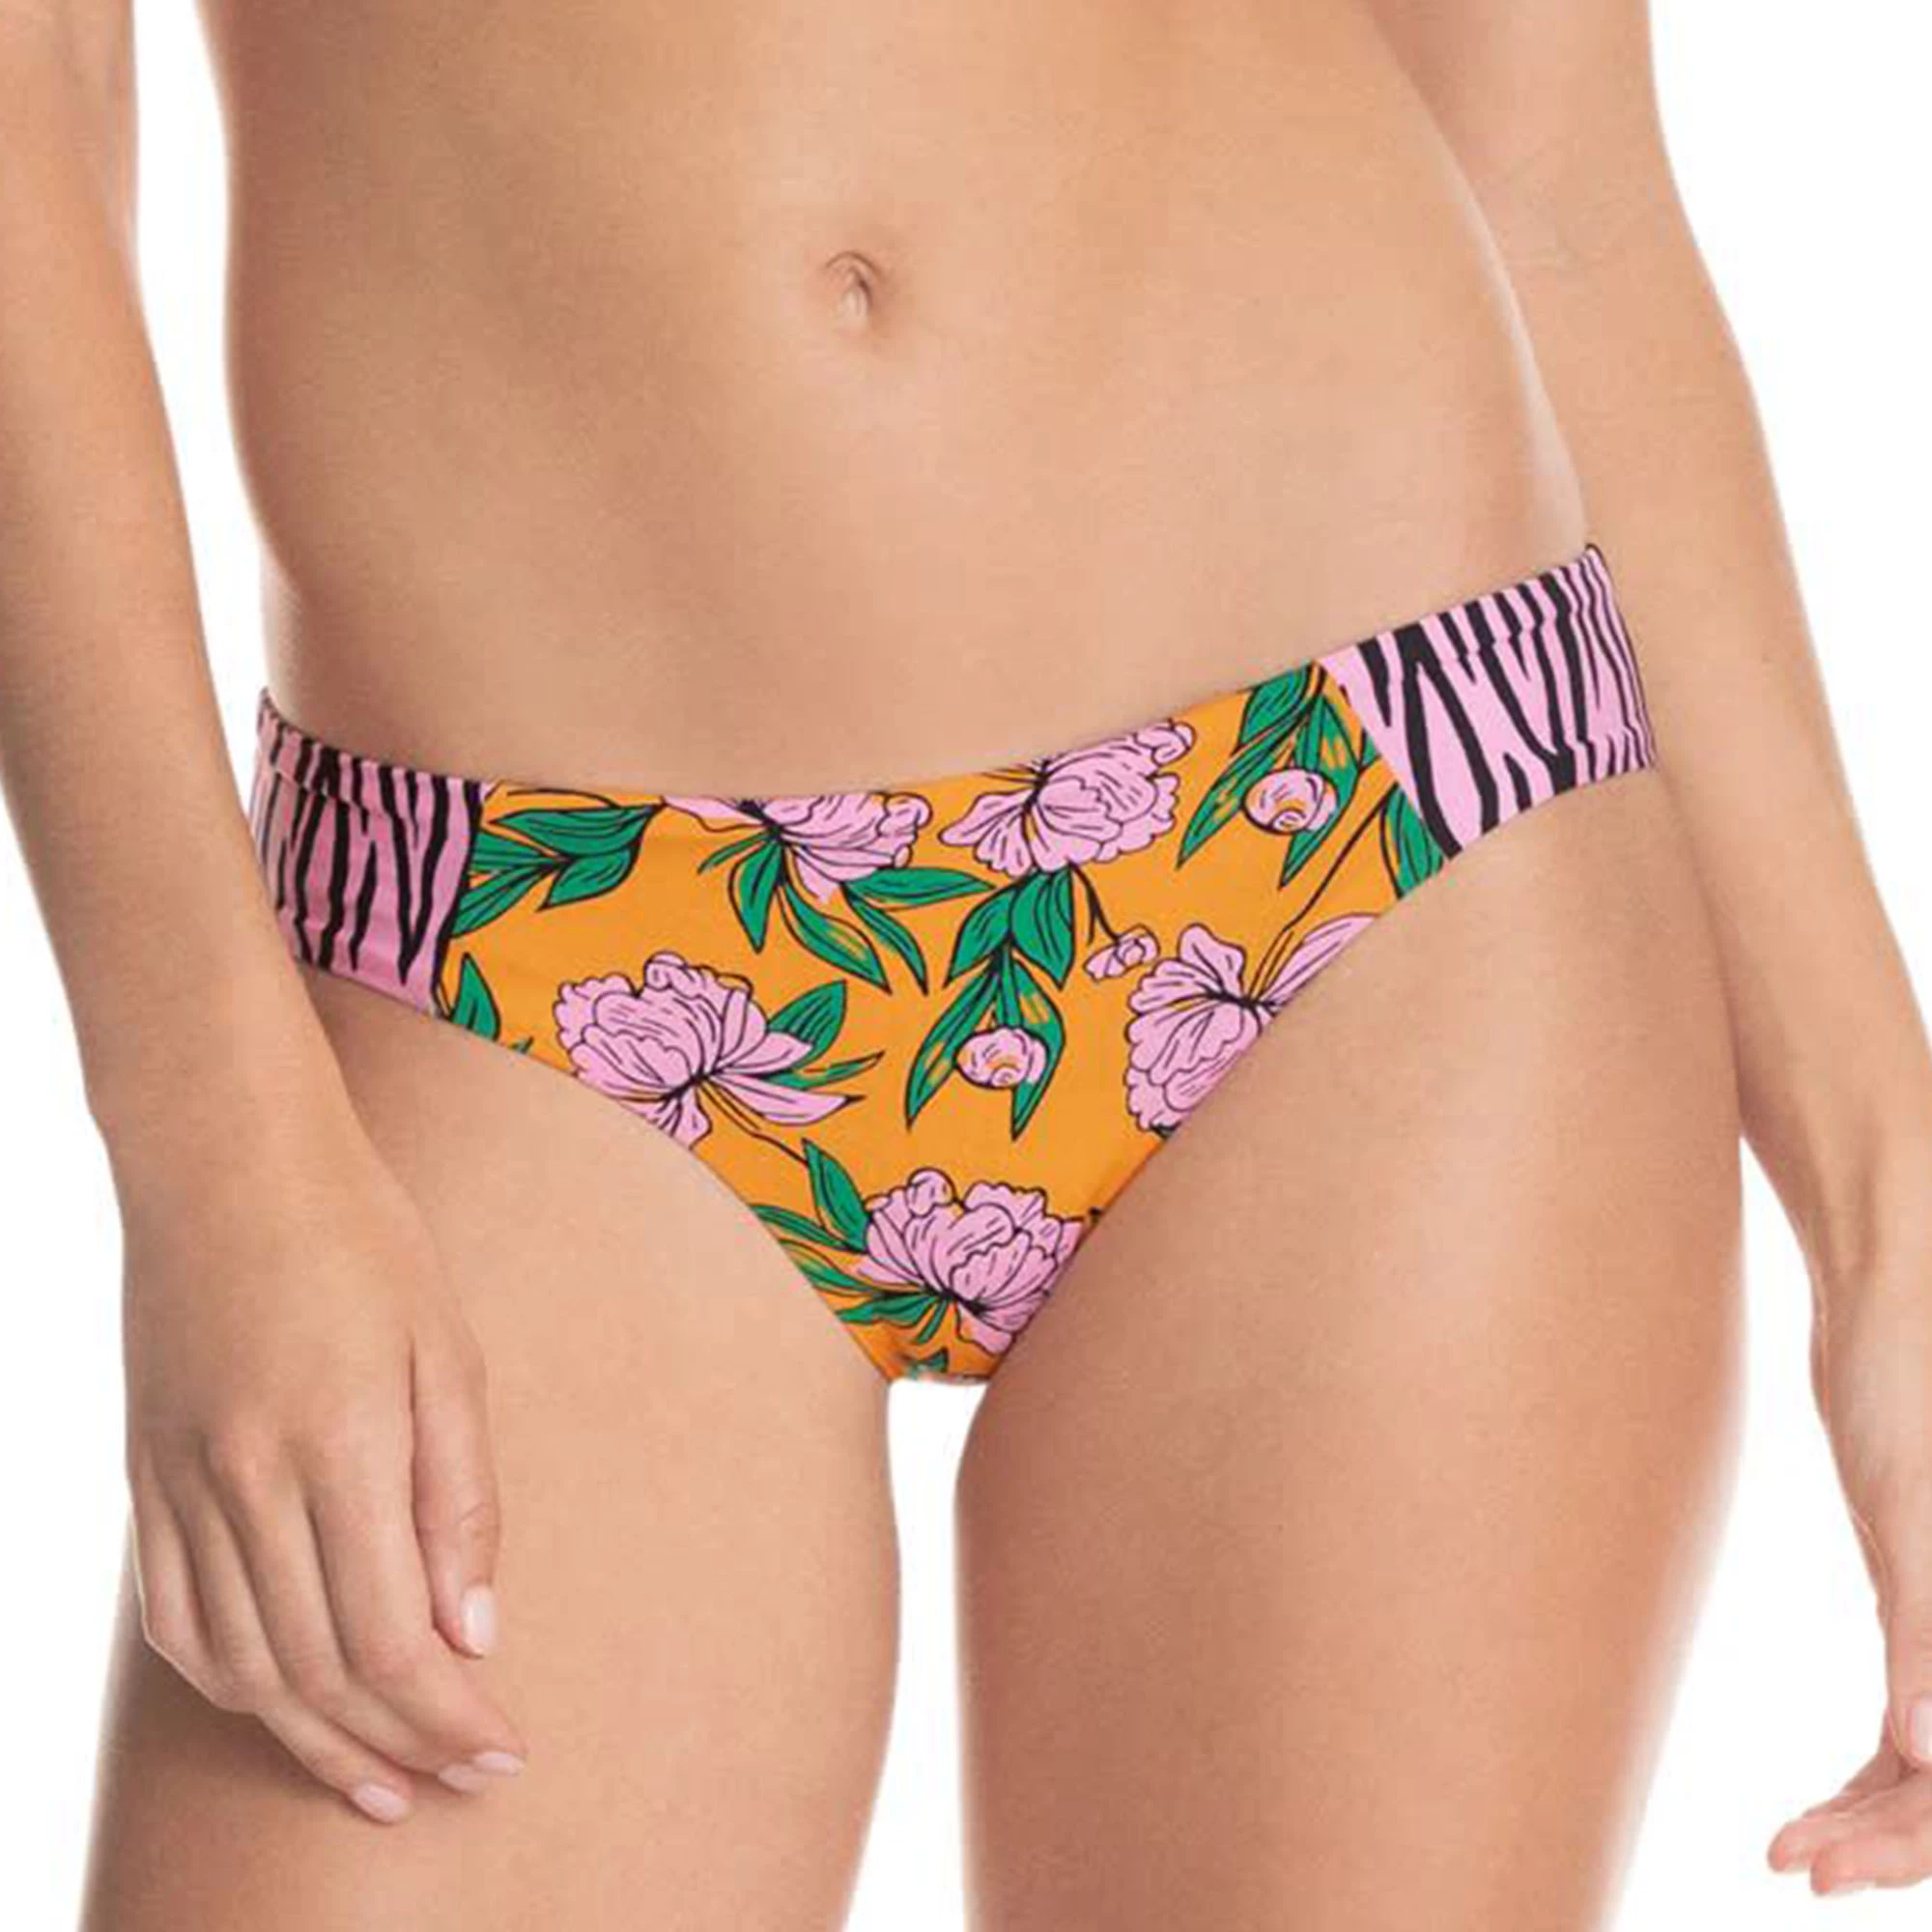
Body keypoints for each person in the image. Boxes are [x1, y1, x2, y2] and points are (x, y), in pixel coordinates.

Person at [2, 0, 1925, 1923]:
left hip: (1367, 816)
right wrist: (215, 1152)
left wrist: (1892, 1217)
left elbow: (1551, 179)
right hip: (516, 928)